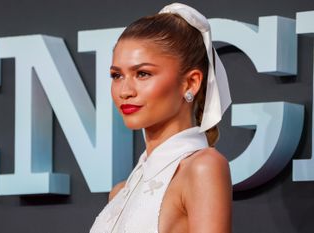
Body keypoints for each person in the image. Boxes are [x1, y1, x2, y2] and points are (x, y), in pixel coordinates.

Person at [90, 2, 232, 233]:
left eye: (142, 74)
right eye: (116, 75)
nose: (125, 91)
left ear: (191, 82)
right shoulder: (120, 192)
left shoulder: (203, 168)